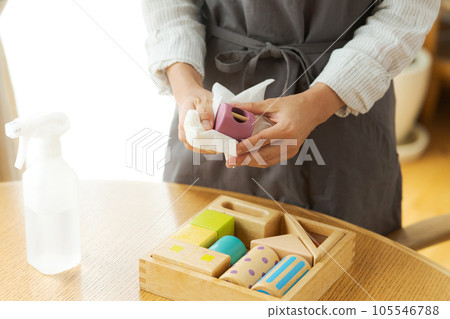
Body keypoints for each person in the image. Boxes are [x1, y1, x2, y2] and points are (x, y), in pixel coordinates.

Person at [142, 0, 440, 235]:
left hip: (344, 106)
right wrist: (186, 88)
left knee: (348, 274)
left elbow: (405, 12)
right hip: (214, 104)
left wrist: (318, 103)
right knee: (198, 257)